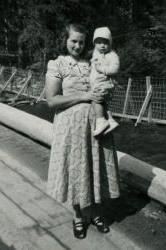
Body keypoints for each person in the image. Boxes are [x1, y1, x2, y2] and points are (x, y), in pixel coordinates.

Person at [45, 23, 120, 239]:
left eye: (81, 42)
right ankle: (78, 216)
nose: (78, 46)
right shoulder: (57, 64)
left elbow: (107, 82)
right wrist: (84, 96)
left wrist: (106, 91)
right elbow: (52, 100)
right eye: (73, 41)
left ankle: (95, 213)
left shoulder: (93, 62)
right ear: (65, 40)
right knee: (77, 170)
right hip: (71, 129)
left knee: (96, 168)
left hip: (97, 125)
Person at [90, 27, 120, 136]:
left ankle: (101, 120)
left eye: (106, 43)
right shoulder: (96, 52)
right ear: (94, 43)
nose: (102, 45)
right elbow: (93, 59)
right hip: (98, 83)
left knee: (95, 99)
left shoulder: (113, 55)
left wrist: (102, 69)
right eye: (99, 43)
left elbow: (115, 69)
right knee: (103, 102)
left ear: (110, 43)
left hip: (105, 83)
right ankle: (111, 120)